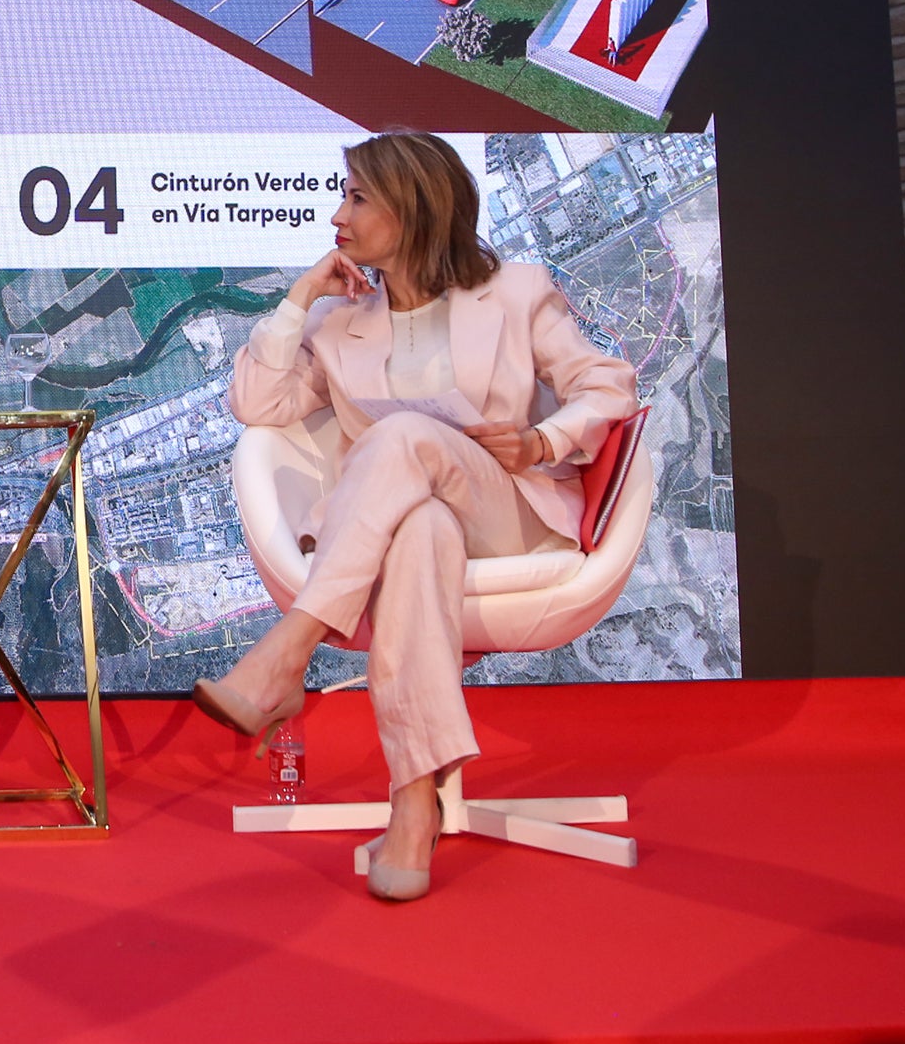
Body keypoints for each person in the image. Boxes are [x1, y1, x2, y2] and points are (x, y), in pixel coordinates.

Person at [194, 132, 636, 903]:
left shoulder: (516, 292)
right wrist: (299, 300)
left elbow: (609, 386)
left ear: (413, 208)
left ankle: (290, 649)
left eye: (357, 198)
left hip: (505, 511)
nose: (338, 216)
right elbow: (255, 405)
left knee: (402, 435)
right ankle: (412, 804)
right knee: (420, 529)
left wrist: (541, 440)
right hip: (409, 529)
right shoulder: (340, 325)